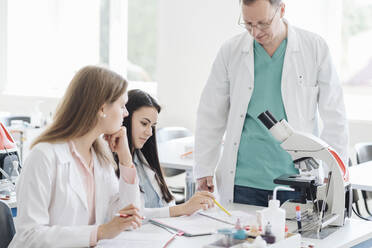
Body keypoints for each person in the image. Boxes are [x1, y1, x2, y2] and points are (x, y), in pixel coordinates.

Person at [194, 0, 348, 207]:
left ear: (281, 10)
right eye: (248, 24)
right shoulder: (231, 51)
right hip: (242, 182)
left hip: (297, 182)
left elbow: (335, 115)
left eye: (263, 23)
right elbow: (210, 113)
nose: (256, 32)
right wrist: (204, 167)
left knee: (298, 238)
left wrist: (335, 173)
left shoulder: (314, 48)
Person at [9, 66, 143, 247]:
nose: (126, 113)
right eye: (122, 105)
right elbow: (30, 236)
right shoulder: (44, 156)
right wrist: (100, 232)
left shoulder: (99, 157)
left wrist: (126, 159)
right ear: (102, 107)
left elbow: (127, 219)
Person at [120, 89, 215, 218]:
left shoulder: (143, 159)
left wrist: (187, 208)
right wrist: (183, 208)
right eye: (144, 123)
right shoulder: (114, 164)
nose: (149, 132)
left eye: (152, 126)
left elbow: (165, 204)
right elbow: (131, 215)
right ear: (125, 117)